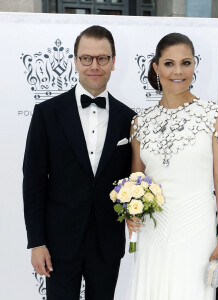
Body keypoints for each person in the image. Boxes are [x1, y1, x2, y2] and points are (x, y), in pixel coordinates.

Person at [23, 25, 135, 300]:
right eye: (86, 58)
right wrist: (37, 242)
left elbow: (131, 180)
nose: (94, 65)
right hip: (59, 243)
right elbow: (34, 183)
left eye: (102, 58)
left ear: (113, 62)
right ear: (75, 61)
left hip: (106, 242)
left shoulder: (129, 119)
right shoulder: (47, 114)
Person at [126, 33, 218, 300]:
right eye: (169, 63)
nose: (178, 71)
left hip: (196, 229)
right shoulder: (140, 122)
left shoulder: (214, 117)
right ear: (156, 67)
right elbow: (136, 182)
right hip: (153, 229)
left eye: (186, 63)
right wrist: (130, 212)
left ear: (194, 65)